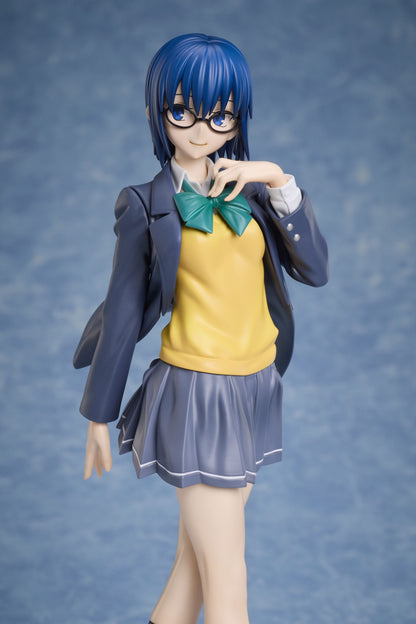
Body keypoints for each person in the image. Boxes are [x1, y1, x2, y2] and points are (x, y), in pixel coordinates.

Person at [74, 33, 328, 624]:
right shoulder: (145, 204)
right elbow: (122, 311)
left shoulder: (253, 189)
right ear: (157, 109)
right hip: (198, 394)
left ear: (237, 117)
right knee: (227, 575)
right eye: (182, 111)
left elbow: (315, 269)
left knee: (193, 571)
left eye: (220, 115)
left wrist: (278, 179)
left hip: (256, 385)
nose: (200, 130)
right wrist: (97, 415)